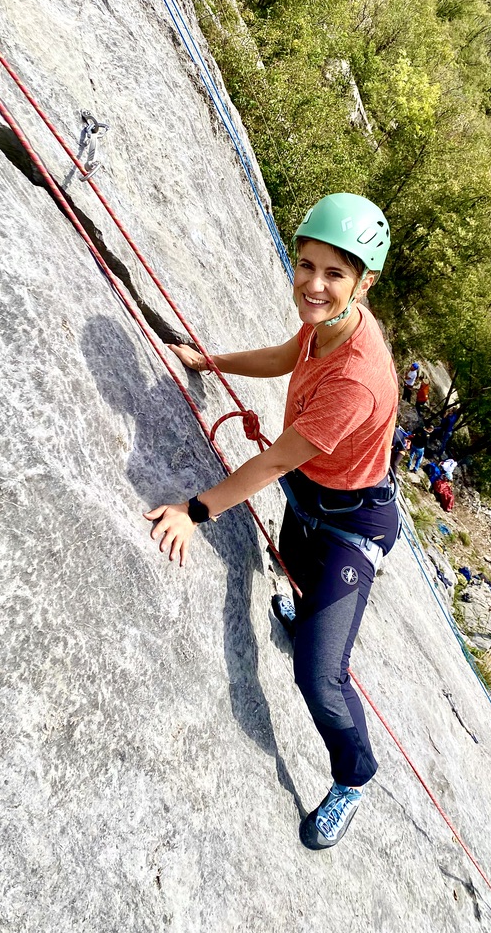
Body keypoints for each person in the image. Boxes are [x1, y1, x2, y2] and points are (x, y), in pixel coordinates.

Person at [144, 193, 400, 851]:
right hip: (308, 503)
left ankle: (355, 776)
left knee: (317, 672)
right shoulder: (330, 321)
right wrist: (212, 362)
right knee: (298, 583)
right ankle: (306, 611)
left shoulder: (358, 379)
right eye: (305, 264)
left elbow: (271, 462)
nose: (313, 285)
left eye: (335, 274)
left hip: (353, 523)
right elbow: (287, 355)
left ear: (364, 282)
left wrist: (193, 511)